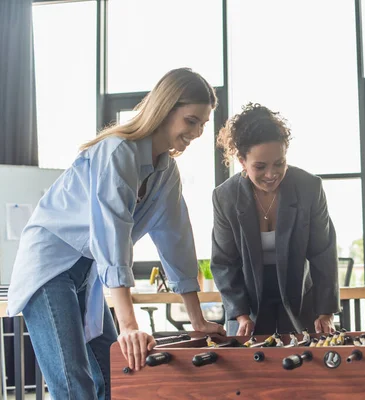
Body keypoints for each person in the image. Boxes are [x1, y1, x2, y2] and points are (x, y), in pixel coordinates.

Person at [7, 68, 225, 400]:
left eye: (203, 125)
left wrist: (197, 319)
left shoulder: (166, 172)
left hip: (89, 274)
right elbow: (111, 237)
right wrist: (129, 325)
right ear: (166, 109)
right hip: (50, 267)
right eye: (191, 120)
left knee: (114, 379)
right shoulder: (117, 151)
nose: (196, 132)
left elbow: (176, 241)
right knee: (75, 384)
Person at [211, 103, 340, 336]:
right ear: (241, 160)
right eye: (260, 166)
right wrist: (240, 315)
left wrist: (326, 311)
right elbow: (224, 262)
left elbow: (323, 252)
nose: (271, 175)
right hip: (248, 300)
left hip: (300, 294)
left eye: (279, 163)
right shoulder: (225, 197)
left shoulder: (309, 187)